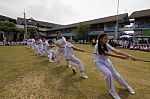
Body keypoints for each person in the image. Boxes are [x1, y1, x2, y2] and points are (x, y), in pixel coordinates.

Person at [94, 34, 136, 99]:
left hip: (107, 62)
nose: (107, 40)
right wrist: (120, 57)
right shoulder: (97, 46)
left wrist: (130, 56)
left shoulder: (107, 45)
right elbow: (106, 53)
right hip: (99, 63)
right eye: (105, 38)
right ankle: (112, 91)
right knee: (109, 74)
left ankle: (127, 86)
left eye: (107, 39)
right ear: (100, 39)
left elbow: (116, 51)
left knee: (116, 75)